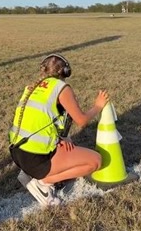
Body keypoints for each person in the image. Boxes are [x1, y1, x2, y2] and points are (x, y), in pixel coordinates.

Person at [9, 53, 109, 206]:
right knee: (95, 161)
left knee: (70, 149)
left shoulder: (31, 87)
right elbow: (81, 120)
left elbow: (39, 120)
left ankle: (34, 173)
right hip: (35, 160)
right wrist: (98, 106)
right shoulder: (61, 88)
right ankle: (44, 181)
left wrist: (60, 138)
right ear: (65, 72)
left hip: (18, 152)